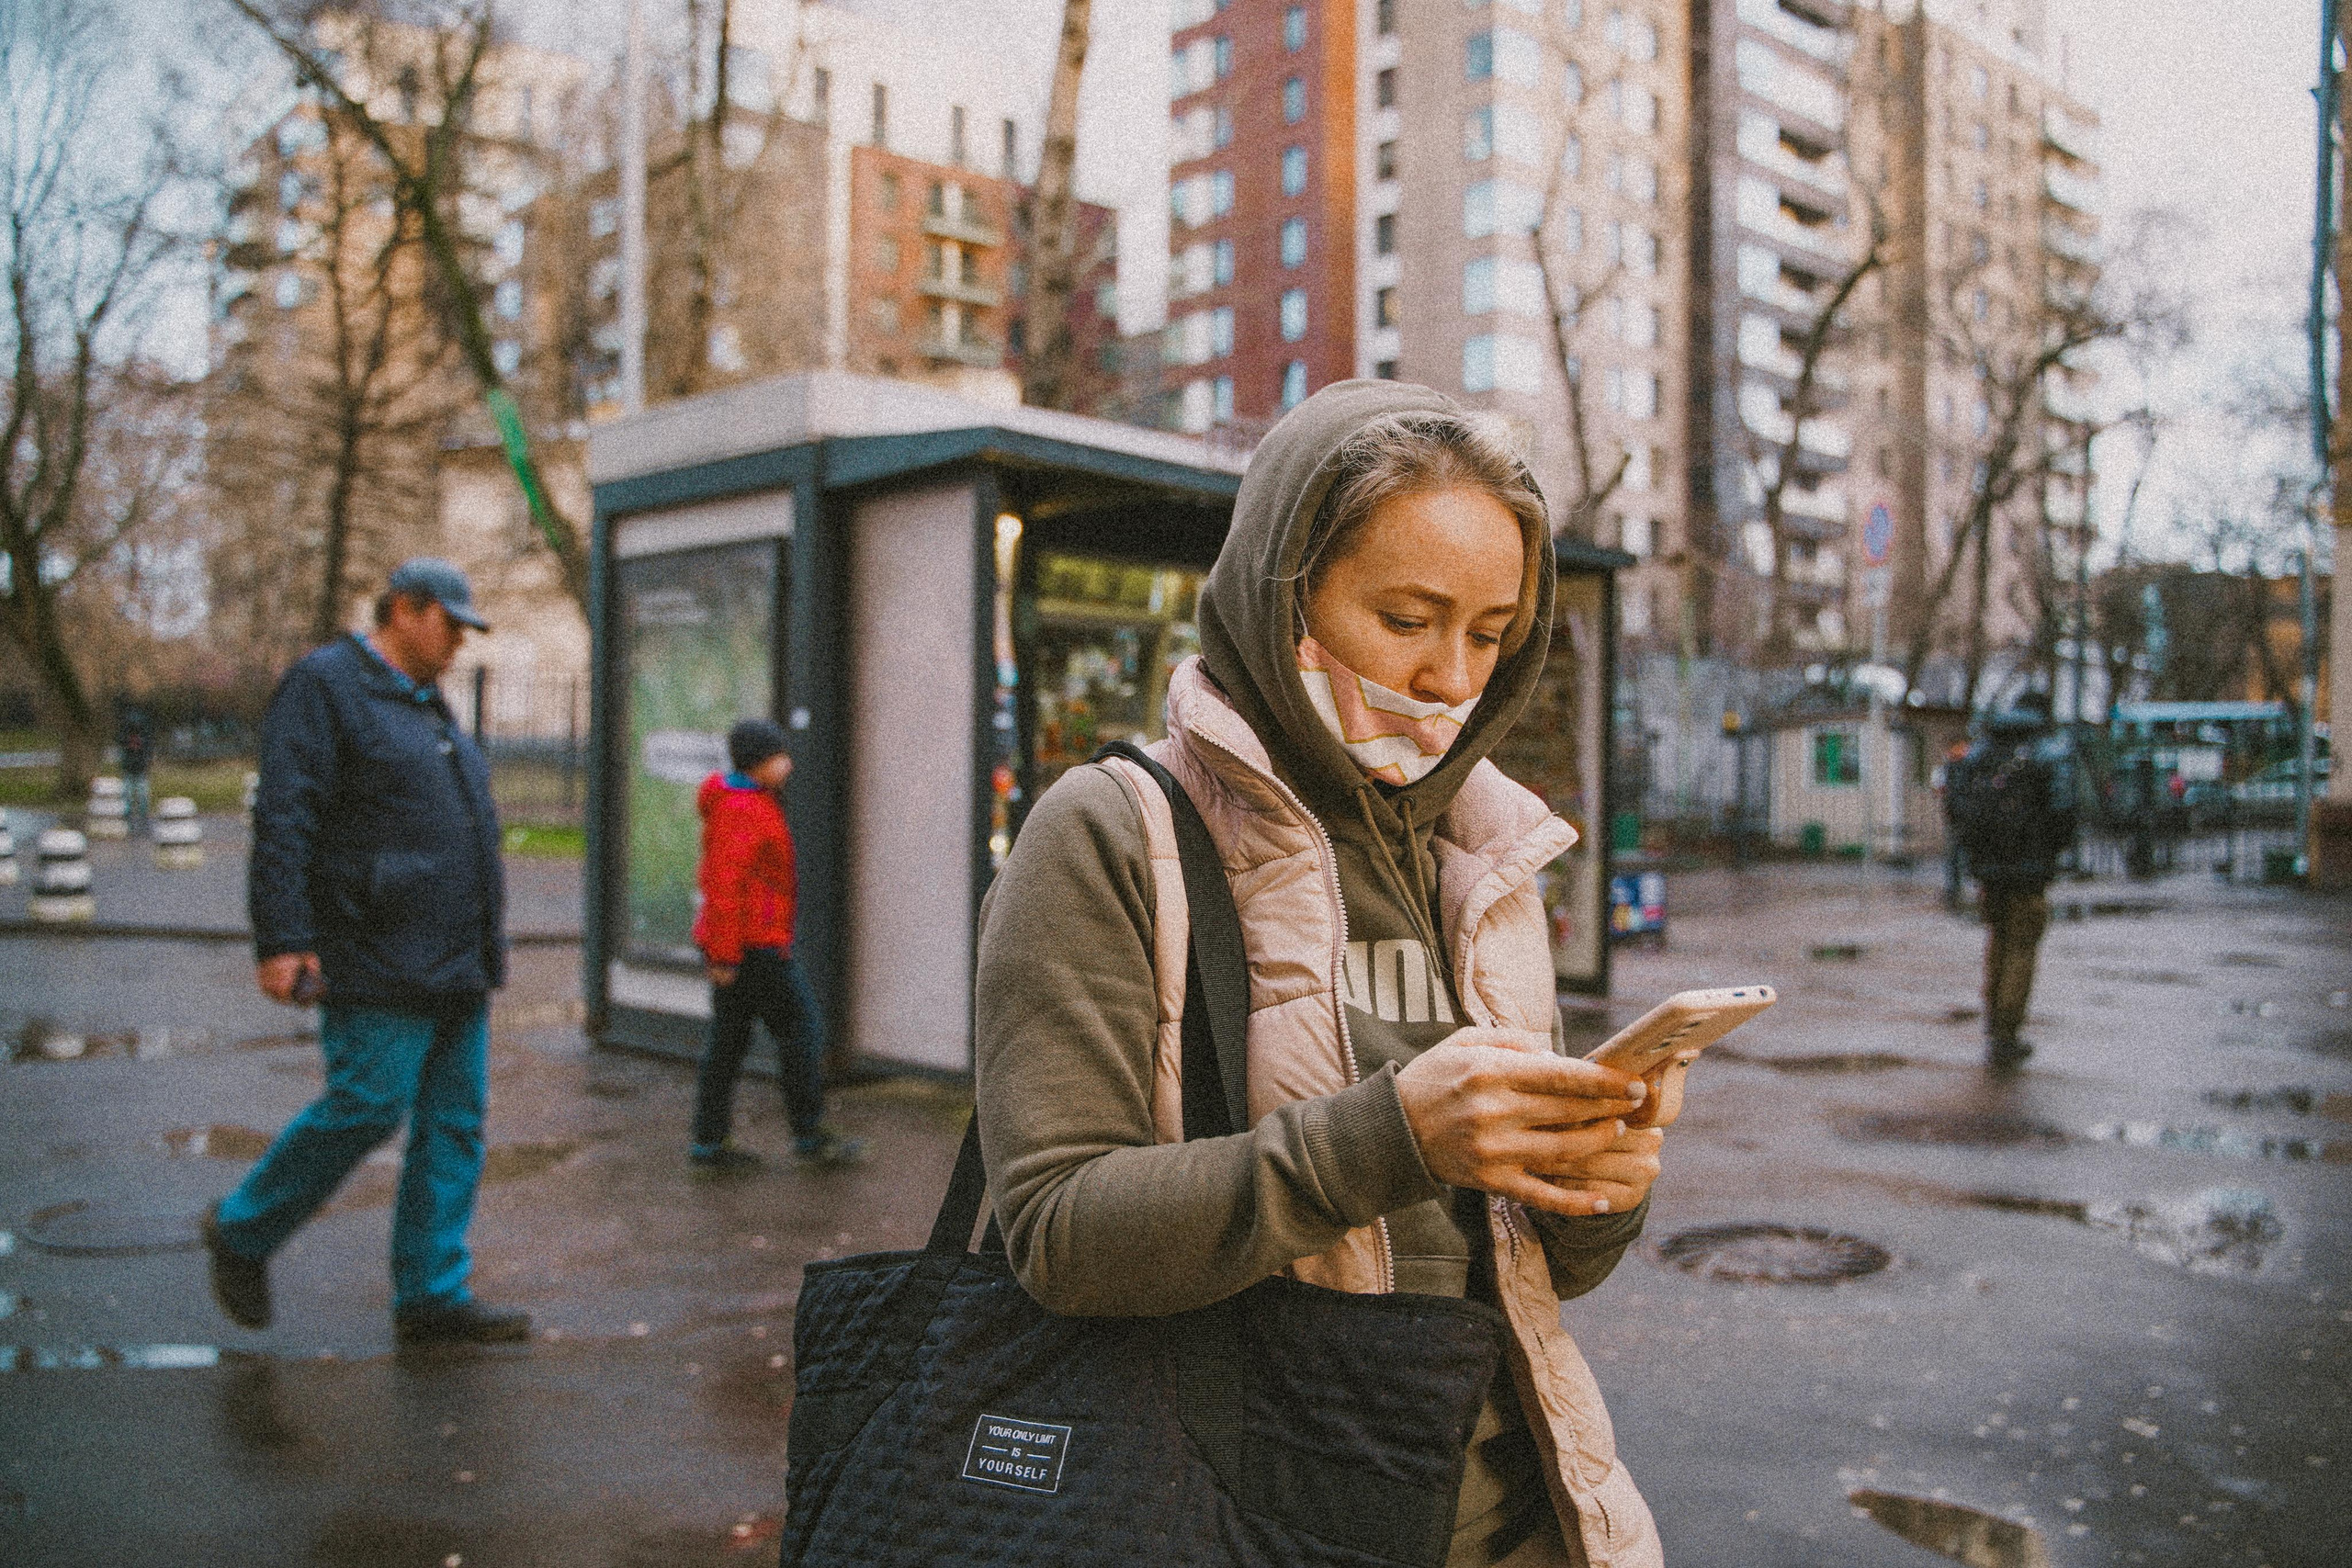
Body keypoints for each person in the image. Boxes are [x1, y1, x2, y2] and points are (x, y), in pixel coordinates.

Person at [975, 384, 1668, 1568]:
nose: (1453, 676)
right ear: (1281, 590)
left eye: (1491, 633)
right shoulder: (1108, 831)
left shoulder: (1486, 848)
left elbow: (1527, 1268)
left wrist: (1600, 1178)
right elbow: (1057, 1233)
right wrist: (1389, 1138)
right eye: (1406, 617)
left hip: (1521, 1512)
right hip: (1235, 1517)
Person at [202, 558, 526, 1346]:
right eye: (451, 624)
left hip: (455, 954)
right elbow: (286, 815)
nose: (458, 642)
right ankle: (243, 1229)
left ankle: (430, 1293)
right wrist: (282, 939)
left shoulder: (424, 698)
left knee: (454, 1124)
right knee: (369, 1101)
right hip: (374, 946)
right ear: (405, 610)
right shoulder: (326, 684)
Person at [689, 718, 865, 1172]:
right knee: (802, 1029)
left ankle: (709, 1141)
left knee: (728, 1040)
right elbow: (725, 884)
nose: (788, 762)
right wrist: (725, 955)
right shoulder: (744, 809)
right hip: (753, 948)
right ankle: (808, 1133)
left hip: (745, 945)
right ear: (761, 762)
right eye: (780, 755)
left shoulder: (747, 801)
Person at [1945, 689, 2078, 1068]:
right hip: (2030, 873)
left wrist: (1977, 854)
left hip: (1988, 871)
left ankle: (1994, 1024)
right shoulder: (2047, 753)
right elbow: (2063, 813)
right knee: (2022, 948)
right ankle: (2006, 1034)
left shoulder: (1981, 754)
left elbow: (1956, 807)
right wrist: (2048, 853)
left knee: (1998, 942)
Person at [117, 705, 153, 837]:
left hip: (139, 769)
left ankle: (143, 817)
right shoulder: (124, 740)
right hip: (130, 769)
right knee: (128, 794)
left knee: (142, 795)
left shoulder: (145, 740)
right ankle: (128, 817)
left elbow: (147, 754)